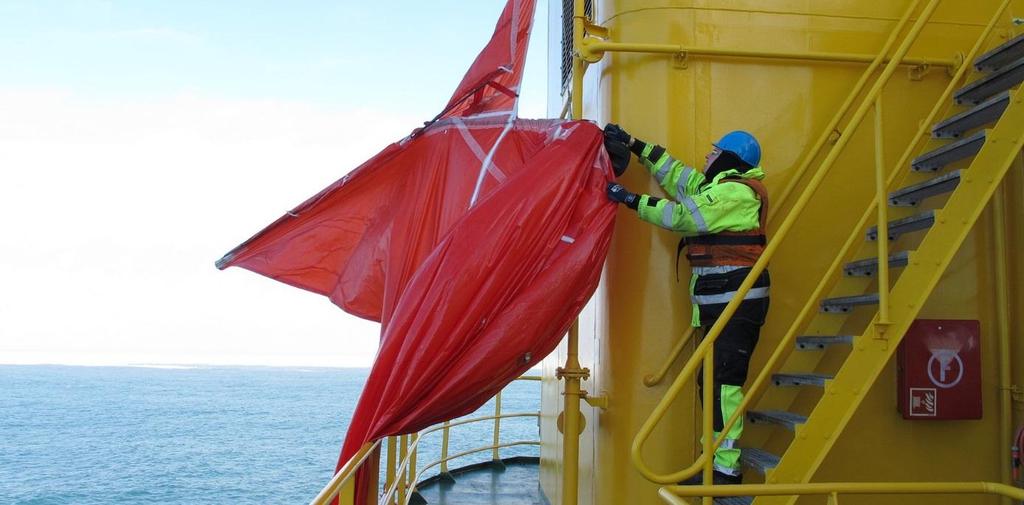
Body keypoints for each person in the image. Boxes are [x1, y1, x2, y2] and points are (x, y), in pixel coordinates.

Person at [603, 124, 770, 485]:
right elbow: (677, 175)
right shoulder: (717, 189)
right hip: (722, 303)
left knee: (724, 385)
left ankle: (725, 470)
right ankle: (715, 461)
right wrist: (635, 144)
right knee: (711, 382)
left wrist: (630, 199)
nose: (707, 156)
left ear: (730, 158)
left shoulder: (735, 195)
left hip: (736, 304)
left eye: (714, 152)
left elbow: (681, 216)